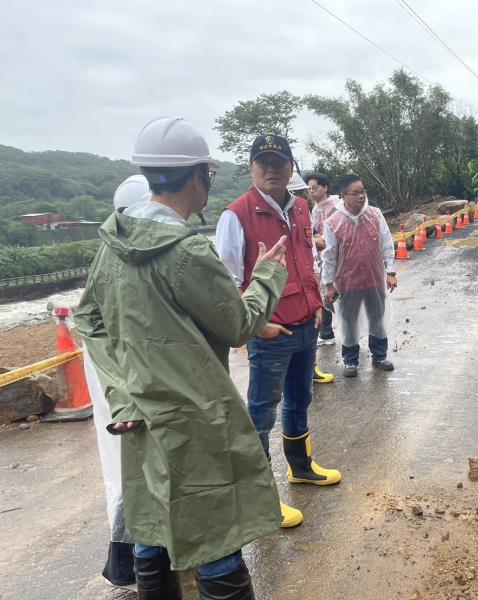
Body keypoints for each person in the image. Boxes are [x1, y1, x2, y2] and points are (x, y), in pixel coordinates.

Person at [74, 117, 288, 600]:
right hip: (195, 416)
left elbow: (88, 320)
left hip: (142, 415)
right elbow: (236, 325)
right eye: (208, 176)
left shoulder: (111, 246)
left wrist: (122, 391)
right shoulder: (187, 252)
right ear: (197, 176)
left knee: (150, 526)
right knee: (215, 534)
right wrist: (269, 276)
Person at [215, 134, 342, 530]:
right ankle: (261, 501)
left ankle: (300, 468)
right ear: (252, 167)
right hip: (270, 333)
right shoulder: (236, 215)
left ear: (291, 167)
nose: (271, 168)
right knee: (260, 414)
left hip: (306, 323)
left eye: (279, 161)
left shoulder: (301, 207)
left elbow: (308, 258)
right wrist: (257, 324)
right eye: (263, 161)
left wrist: (318, 301)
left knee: (300, 400)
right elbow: (227, 281)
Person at [81, 174, 151, 591]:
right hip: (121, 382)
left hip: (118, 380)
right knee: (132, 473)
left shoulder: (114, 255)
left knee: (131, 472)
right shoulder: (119, 259)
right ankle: (130, 565)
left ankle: (136, 563)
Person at [321, 174, 397, 377]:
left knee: (377, 319)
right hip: (347, 283)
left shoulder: (375, 215)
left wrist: (391, 272)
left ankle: (379, 356)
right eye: (355, 193)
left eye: (362, 191)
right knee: (349, 323)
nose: (361, 196)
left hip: (374, 279)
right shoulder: (333, 222)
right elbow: (328, 256)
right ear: (343, 196)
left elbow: (386, 243)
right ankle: (350, 360)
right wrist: (329, 284)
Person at [287, 172, 335, 385]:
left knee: (311, 324)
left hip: (308, 278)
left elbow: (312, 245)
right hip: (288, 284)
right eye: (298, 192)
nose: (303, 196)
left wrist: (315, 276)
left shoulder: (302, 211)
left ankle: (310, 368)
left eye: (303, 192)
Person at [307, 173, 338, 346]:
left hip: (336, 258)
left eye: (315, 187)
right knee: (322, 294)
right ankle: (326, 333)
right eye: (309, 189)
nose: (312, 191)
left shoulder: (336, 206)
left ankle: (354, 330)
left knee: (337, 296)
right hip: (321, 257)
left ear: (325, 188)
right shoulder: (315, 209)